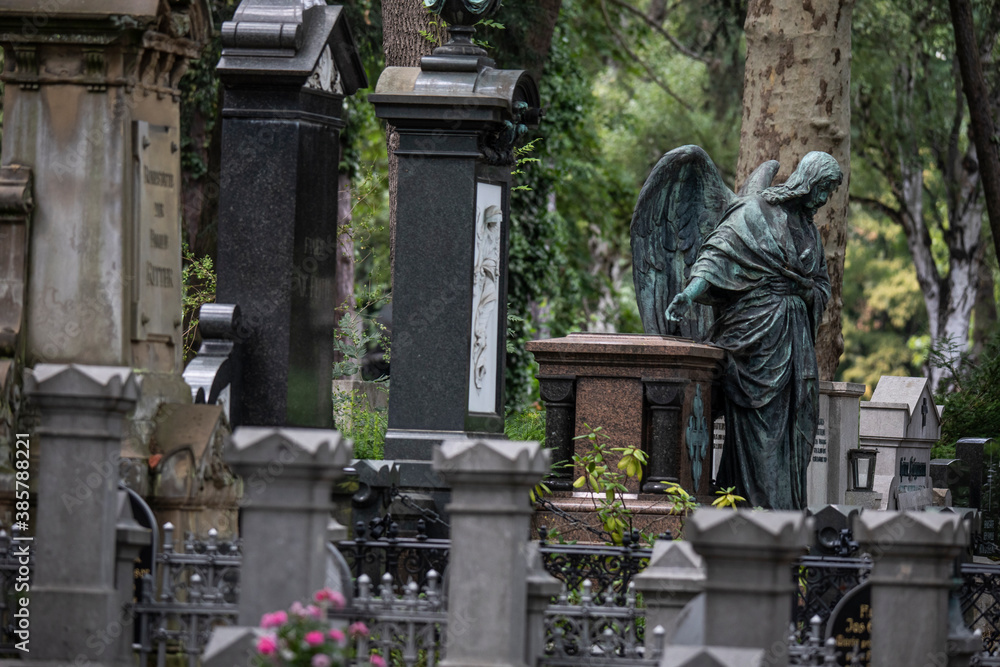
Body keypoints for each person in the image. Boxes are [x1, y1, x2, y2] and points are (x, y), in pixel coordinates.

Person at [665, 152, 843, 509]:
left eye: (830, 192)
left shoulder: (809, 231)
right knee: (762, 434)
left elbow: (821, 284)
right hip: (755, 344)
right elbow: (716, 256)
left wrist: (809, 292)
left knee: (798, 426)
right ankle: (764, 514)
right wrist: (688, 293)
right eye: (822, 189)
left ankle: (787, 510)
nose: (824, 200)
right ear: (807, 181)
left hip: (795, 341)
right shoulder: (756, 211)